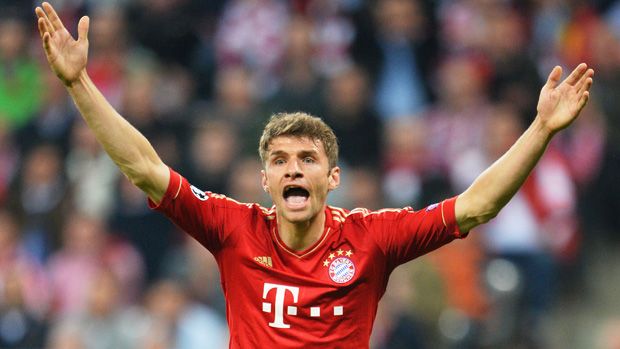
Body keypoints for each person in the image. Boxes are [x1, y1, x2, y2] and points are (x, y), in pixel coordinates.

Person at [35, 2, 594, 348]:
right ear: (265, 181)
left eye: (307, 160)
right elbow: (144, 167)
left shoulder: (371, 238)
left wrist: (541, 128)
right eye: (280, 161)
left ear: (333, 178)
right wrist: (79, 85)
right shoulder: (234, 228)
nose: (293, 169)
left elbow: (476, 205)